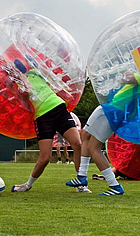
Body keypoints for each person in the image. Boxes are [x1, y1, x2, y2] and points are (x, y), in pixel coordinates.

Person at [66, 49, 140, 195]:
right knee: (85, 135)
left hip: (115, 109)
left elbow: (126, 78)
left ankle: (114, 185)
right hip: (118, 109)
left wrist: (129, 72)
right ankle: (81, 176)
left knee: (94, 148)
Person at [11, 58, 84, 192]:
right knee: (45, 158)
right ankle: (27, 185)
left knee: (77, 144)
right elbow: (28, 90)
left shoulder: (35, 72)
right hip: (43, 117)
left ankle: (81, 183)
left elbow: (51, 77)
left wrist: (37, 64)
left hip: (59, 107)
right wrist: (21, 74)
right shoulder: (18, 84)